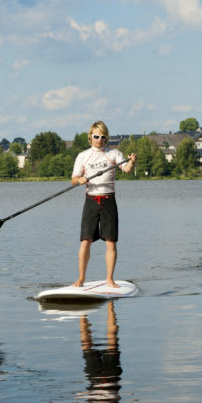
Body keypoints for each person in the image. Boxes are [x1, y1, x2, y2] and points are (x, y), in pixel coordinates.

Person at [71, 121, 136, 288]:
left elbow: (127, 169)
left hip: (108, 201)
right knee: (85, 241)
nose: (99, 139)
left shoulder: (114, 154)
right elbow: (73, 180)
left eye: (103, 137)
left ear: (106, 138)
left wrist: (132, 162)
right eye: (96, 136)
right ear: (90, 137)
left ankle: (109, 279)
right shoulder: (83, 156)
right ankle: (81, 278)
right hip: (91, 200)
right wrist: (80, 180)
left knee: (110, 242)